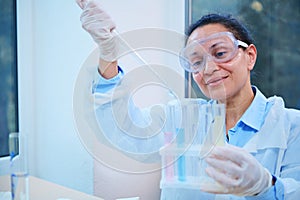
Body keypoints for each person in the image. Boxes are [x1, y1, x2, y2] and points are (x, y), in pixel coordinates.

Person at [76, 0, 300, 199]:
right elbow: (119, 130)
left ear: (250, 56)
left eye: (220, 53)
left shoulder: (291, 127)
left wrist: (265, 187)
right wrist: (108, 53)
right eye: (196, 62)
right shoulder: (181, 118)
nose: (209, 68)